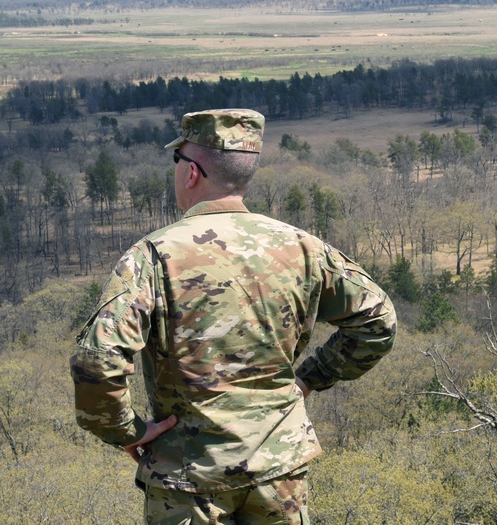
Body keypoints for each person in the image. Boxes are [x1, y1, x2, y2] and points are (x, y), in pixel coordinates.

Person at [71, 109, 396, 524]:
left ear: (191, 173)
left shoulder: (151, 257)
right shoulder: (303, 248)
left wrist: (126, 430)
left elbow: (97, 360)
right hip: (280, 471)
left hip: (189, 477)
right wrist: (310, 378)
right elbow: (378, 322)